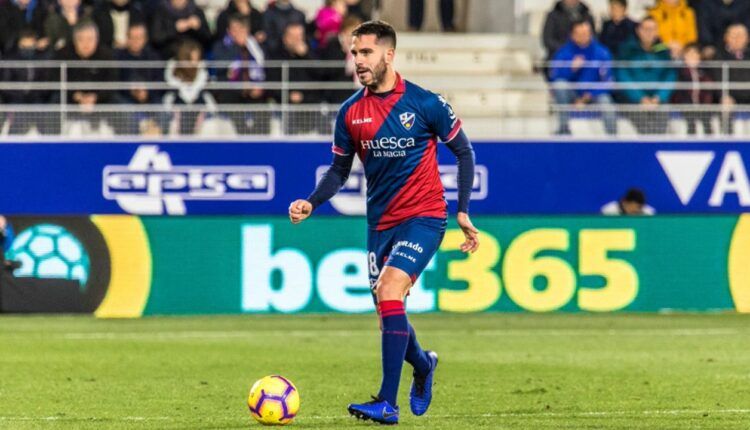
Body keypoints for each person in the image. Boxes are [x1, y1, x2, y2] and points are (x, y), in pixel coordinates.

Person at [288, 21, 478, 425]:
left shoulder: (426, 103)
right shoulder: (350, 112)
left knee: (390, 289)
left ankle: (387, 403)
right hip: (380, 224)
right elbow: (339, 171)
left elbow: (464, 152)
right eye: (354, 53)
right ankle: (424, 365)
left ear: (388, 55)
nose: (358, 61)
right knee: (387, 311)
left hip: (425, 217)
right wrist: (312, 201)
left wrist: (461, 209)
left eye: (366, 53)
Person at [549, 20, 617, 135]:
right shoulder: (563, 52)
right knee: (560, 86)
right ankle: (564, 129)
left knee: (607, 105)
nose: (583, 37)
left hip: (594, 93)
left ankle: (613, 139)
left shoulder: (602, 52)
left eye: (586, 33)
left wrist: (589, 95)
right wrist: (571, 69)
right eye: (579, 34)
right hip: (572, 93)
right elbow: (555, 77)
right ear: (572, 35)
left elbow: (608, 81)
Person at [616, 17, 676, 134]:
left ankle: (656, 147)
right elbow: (622, 75)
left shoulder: (663, 51)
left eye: (653, 29)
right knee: (644, 125)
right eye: (646, 29)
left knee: (662, 119)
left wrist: (659, 97)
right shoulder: (627, 49)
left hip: (658, 100)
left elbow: (670, 75)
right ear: (638, 30)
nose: (649, 33)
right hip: (633, 100)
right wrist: (640, 98)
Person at [212, 14, 269, 134]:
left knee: (263, 110)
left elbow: (264, 68)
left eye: (241, 29)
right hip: (231, 90)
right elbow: (221, 67)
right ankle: (244, 140)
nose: (237, 33)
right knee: (234, 107)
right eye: (234, 29)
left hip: (254, 89)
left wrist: (257, 86)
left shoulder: (256, 46)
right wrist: (237, 46)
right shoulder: (221, 46)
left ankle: (261, 143)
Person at [1, 28, 55, 135]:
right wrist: (20, 95)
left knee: (44, 111)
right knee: (19, 115)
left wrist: (35, 95)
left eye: (30, 47)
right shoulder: (11, 60)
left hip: (36, 99)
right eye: (24, 47)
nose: (27, 50)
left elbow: (45, 83)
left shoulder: (41, 60)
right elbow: (5, 86)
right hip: (16, 99)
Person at [115, 22, 164, 134]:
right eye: (133, 37)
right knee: (126, 112)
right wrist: (131, 91)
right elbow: (115, 83)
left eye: (139, 37)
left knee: (163, 112)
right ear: (127, 38)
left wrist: (147, 93)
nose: (136, 41)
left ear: (145, 39)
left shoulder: (153, 57)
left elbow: (160, 82)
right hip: (126, 98)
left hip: (151, 99)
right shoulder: (118, 57)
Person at [163, 38, 216, 136]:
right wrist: (186, 96)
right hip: (178, 103)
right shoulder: (173, 67)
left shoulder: (201, 68)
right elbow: (173, 86)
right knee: (174, 110)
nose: (195, 61)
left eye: (197, 57)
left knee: (205, 108)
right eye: (192, 58)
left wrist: (191, 97)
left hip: (197, 103)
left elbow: (201, 87)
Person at [671, 43, 716, 135]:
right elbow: (680, 92)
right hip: (686, 105)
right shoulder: (680, 71)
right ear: (684, 56)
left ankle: (710, 144)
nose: (692, 57)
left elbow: (709, 88)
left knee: (707, 123)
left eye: (695, 53)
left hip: (703, 105)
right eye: (689, 54)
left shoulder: (705, 71)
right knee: (690, 123)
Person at [713, 23, 750, 134]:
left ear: (747, 38)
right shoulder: (718, 56)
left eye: (741, 36)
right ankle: (728, 142)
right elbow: (716, 78)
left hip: (748, 94)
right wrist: (724, 95)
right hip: (730, 96)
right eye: (734, 36)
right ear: (726, 37)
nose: (737, 39)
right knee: (725, 107)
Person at [542, 0, 595, 68]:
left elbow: (593, 37)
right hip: (558, 59)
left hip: (585, 60)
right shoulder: (553, 16)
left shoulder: (587, 15)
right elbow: (548, 40)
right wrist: (567, 51)